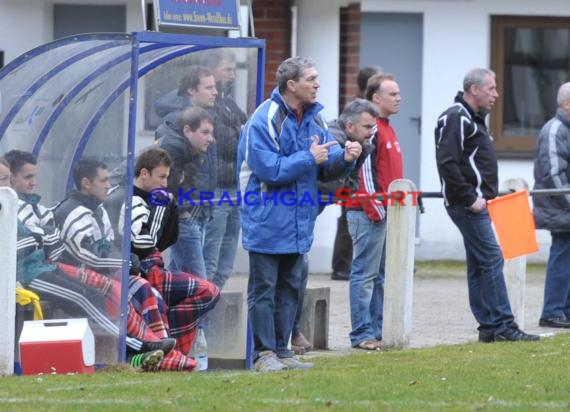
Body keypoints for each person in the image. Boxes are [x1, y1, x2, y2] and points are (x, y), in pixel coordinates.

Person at [238, 56, 362, 371]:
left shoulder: (314, 118)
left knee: (291, 287)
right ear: (291, 85)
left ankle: (283, 351)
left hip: (299, 219)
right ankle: (263, 354)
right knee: (264, 289)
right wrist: (309, 158)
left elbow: (327, 159)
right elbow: (269, 170)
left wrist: (346, 156)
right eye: (311, 79)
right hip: (267, 218)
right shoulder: (264, 118)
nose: (317, 84)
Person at [4, 151, 167, 371]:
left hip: (45, 266)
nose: (34, 182)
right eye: (27, 177)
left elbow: (53, 241)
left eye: (35, 176)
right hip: (27, 274)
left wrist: (39, 238)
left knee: (131, 291)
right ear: (86, 183)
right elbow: (20, 246)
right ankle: (136, 345)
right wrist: (39, 238)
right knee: (86, 296)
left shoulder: (39, 208)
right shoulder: (14, 207)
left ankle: (143, 345)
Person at [53, 157, 197, 370]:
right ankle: (145, 347)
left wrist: (128, 261)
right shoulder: (72, 212)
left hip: (110, 272)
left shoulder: (98, 208)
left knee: (148, 291)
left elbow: (111, 243)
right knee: (119, 294)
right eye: (103, 180)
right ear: (86, 183)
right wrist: (125, 260)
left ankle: (161, 349)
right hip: (82, 275)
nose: (109, 185)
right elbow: (88, 256)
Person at [435, 68, 539, 342]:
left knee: (480, 263)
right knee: (492, 258)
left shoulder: (472, 119)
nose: (496, 94)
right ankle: (503, 325)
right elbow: (447, 162)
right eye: (491, 88)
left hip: (476, 204)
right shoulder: (457, 117)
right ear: (474, 89)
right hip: (467, 205)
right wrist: (470, 199)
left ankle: (489, 327)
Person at [109, 147, 220, 365]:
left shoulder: (155, 197)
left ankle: (172, 346)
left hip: (155, 268)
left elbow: (165, 241)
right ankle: (165, 355)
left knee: (209, 291)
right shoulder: (129, 199)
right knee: (155, 299)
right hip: (135, 272)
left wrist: (170, 208)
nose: (165, 184)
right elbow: (144, 243)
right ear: (144, 174)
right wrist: (160, 208)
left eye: (167, 177)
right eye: (161, 177)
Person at [291, 98, 379, 354]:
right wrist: (350, 176)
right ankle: (287, 335)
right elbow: (334, 184)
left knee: (298, 270)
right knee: (293, 272)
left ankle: (292, 333)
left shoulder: (359, 143)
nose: (370, 132)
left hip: (309, 211)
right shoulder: (334, 141)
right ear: (350, 126)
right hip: (298, 212)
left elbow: (343, 186)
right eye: (366, 127)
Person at [345, 73, 403, 350]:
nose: (399, 98)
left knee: (379, 276)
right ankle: (361, 334)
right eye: (393, 94)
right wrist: (377, 208)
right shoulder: (373, 129)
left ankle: (377, 330)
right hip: (367, 212)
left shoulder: (388, 128)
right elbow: (365, 171)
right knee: (365, 275)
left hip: (382, 211)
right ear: (376, 98)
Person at [156, 66, 218, 278]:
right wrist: (183, 210)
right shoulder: (176, 122)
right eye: (209, 87)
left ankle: (166, 309)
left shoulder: (206, 118)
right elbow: (167, 174)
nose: (215, 92)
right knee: (197, 277)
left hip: (197, 206)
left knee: (182, 272)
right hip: (186, 210)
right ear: (192, 90)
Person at [199, 49, 248, 289]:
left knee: (226, 262)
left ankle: (214, 303)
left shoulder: (228, 102)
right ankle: (201, 319)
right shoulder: (206, 107)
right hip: (216, 188)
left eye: (234, 70)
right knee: (210, 257)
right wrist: (237, 132)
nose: (232, 75)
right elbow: (227, 143)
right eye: (228, 69)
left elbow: (247, 133)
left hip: (235, 186)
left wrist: (238, 132)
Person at [330, 66, 381, 281]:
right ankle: (341, 265)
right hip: (345, 182)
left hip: (348, 179)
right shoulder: (357, 112)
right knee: (346, 220)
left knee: (345, 219)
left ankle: (344, 264)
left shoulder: (366, 114)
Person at [533, 82, 570, 329]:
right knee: (562, 255)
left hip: (564, 207)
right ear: (567, 104)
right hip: (561, 208)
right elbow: (553, 174)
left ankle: (563, 311)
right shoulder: (555, 129)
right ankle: (553, 311)